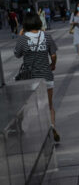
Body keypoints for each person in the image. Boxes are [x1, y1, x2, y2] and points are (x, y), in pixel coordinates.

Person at [14, 14, 60, 142]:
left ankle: (21, 127)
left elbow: (17, 55)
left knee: (24, 105)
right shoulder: (47, 36)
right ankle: (52, 126)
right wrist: (52, 65)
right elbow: (54, 55)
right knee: (49, 105)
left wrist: (20, 38)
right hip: (47, 76)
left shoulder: (23, 39)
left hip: (30, 79)